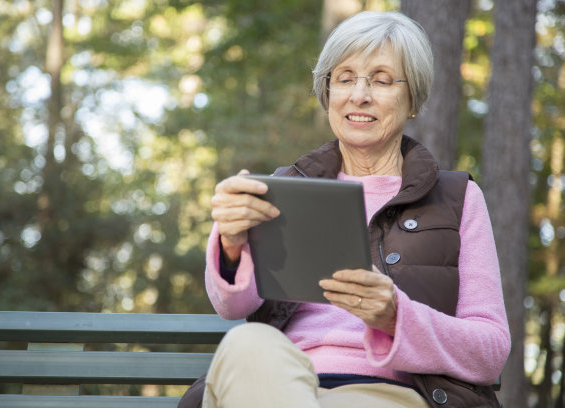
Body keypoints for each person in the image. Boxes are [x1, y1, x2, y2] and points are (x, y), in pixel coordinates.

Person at [179, 11, 510, 408]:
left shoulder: (457, 197)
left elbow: (490, 351)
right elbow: (234, 306)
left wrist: (396, 317)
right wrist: (231, 243)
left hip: (387, 393)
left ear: (413, 100)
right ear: (328, 93)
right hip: (279, 384)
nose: (359, 95)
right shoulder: (284, 187)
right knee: (249, 342)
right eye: (345, 78)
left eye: (383, 80)